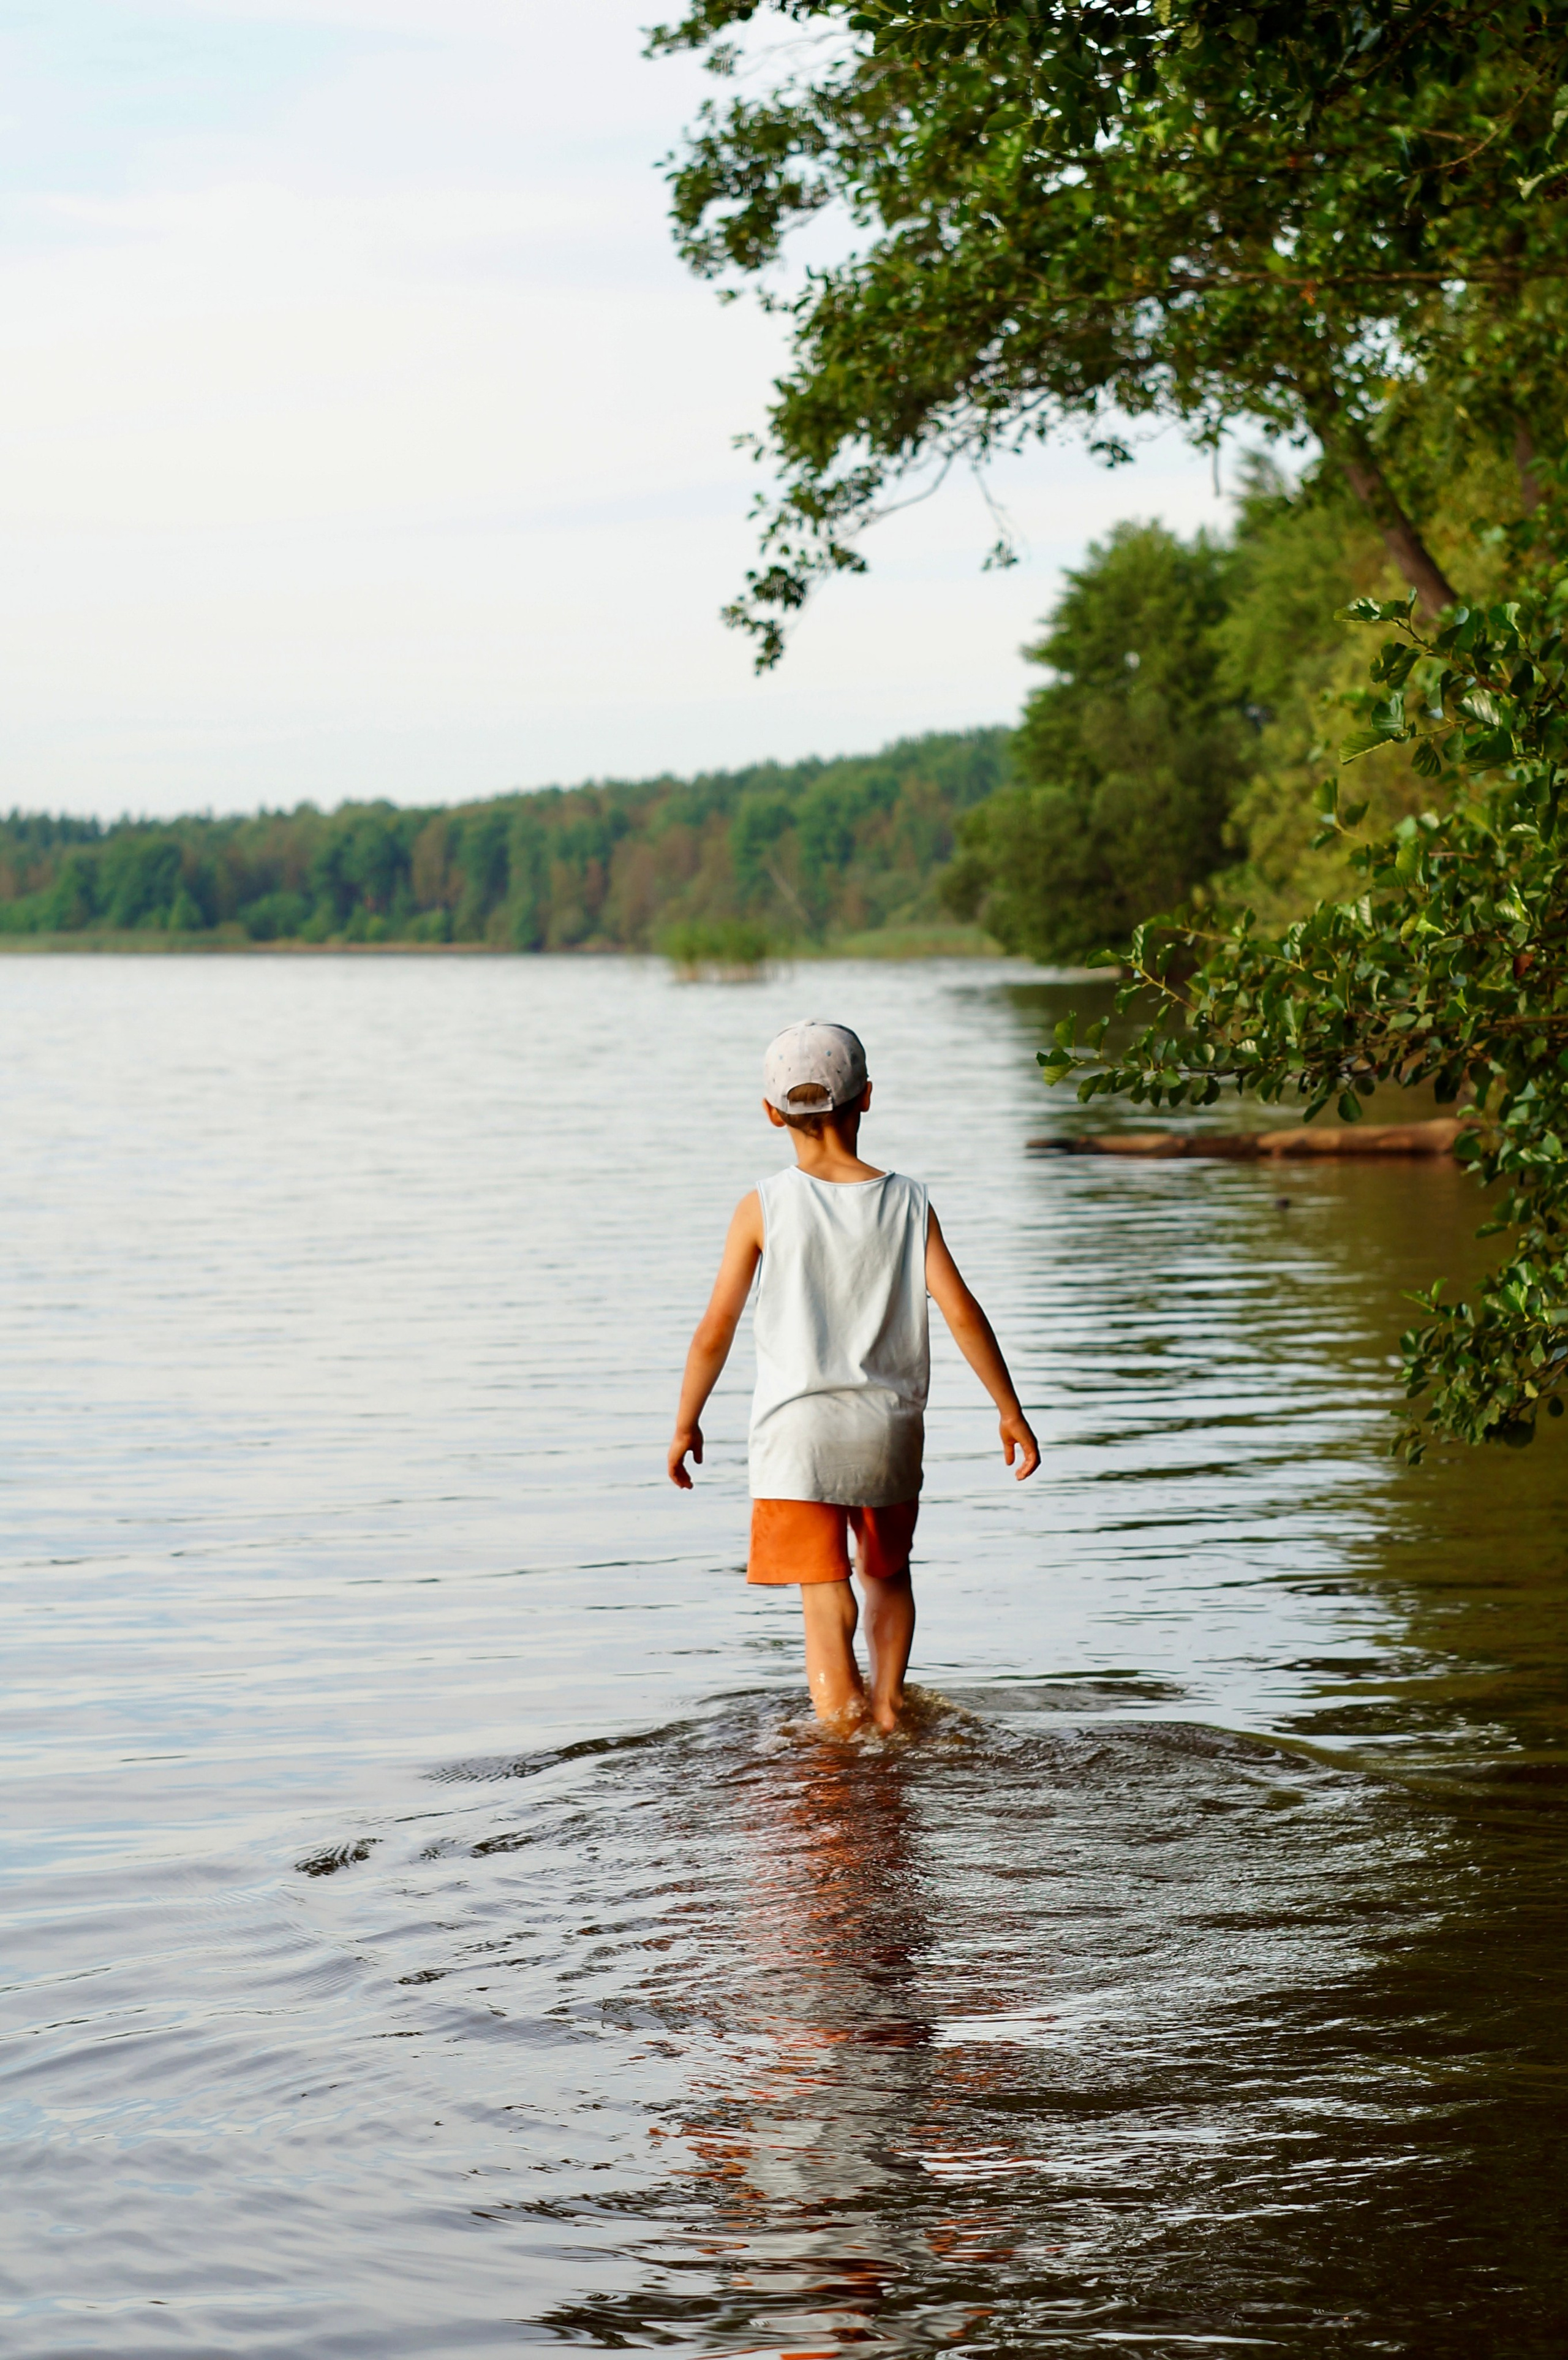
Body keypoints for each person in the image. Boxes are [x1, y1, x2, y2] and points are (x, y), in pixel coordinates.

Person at [668, 1018, 1040, 1733]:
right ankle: (892, 1711)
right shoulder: (908, 1202)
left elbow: (713, 1330)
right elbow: (962, 1312)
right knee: (887, 1573)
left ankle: (841, 1732)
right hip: (887, 1429)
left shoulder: (763, 1206)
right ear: (865, 1098)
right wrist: (1008, 1410)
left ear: (772, 1112)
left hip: (795, 1436)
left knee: (825, 1591)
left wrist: (687, 1420)